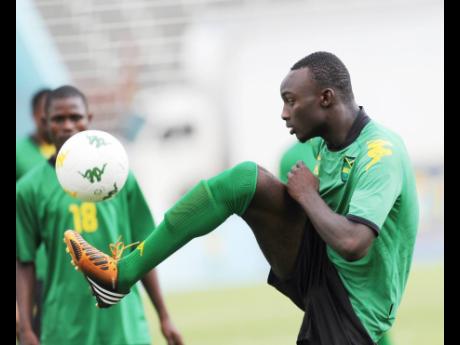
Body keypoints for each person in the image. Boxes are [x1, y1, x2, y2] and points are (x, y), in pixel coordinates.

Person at [64, 52, 419, 344]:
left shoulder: (379, 153)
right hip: (320, 265)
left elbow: (354, 243)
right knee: (245, 179)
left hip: (353, 304)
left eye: (291, 102)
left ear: (326, 98)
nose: (284, 113)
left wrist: (308, 196)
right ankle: (120, 274)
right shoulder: (323, 144)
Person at [16, 85, 184, 345]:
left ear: (89, 120)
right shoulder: (29, 188)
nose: (68, 125)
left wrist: (164, 315)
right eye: (58, 119)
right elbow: (24, 261)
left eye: (75, 117)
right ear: (45, 125)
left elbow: (142, 249)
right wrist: (26, 328)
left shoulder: (119, 175)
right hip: (65, 327)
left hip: (125, 325)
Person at [278, 141, 396, 345]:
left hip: (346, 255)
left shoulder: (362, 146)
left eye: (291, 105)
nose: (285, 115)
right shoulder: (295, 156)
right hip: (335, 263)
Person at [16, 88, 54, 339]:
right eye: (47, 114)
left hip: (66, 264)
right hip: (32, 265)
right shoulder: (19, 153)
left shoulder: (72, 154)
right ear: (34, 115)